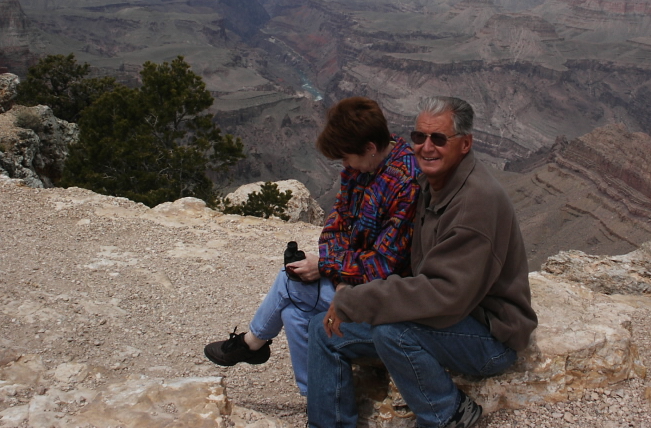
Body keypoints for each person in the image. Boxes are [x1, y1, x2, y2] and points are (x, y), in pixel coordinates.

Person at [306, 96, 537, 428]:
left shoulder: (475, 203)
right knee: (324, 330)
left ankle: (448, 413)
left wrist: (356, 299)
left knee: (393, 332)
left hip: (489, 335)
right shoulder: (432, 183)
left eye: (439, 139)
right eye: (419, 137)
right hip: (450, 319)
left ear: (465, 144)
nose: (426, 148)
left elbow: (444, 293)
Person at [204, 97, 420, 396]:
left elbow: (385, 263)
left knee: (289, 282)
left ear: (370, 147)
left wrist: (327, 266)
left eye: (347, 158)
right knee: (293, 314)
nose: (345, 165)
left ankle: (251, 344)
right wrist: (334, 270)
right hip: (353, 276)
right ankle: (317, 397)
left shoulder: (406, 183)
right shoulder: (362, 167)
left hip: (384, 292)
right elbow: (336, 223)